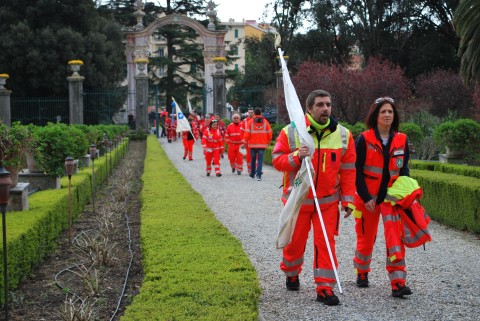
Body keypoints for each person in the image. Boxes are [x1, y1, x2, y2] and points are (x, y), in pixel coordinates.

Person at [272, 90, 356, 306]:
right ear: (308, 109)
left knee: (325, 244)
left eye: (328, 104)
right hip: (299, 200)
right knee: (294, 243)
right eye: (320, 105)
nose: (325, 108)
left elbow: (348, 170)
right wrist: (295, 156)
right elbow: (277, 161)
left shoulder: (344, 135)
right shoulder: (291, 132)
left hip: (327, 202)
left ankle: (324, 287)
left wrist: (347, 199)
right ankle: (291, 272)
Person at [346, 96, 412, 298]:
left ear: (395, 116)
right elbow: (355, 170)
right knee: (366, 239)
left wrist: (407, 195)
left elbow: (404, 169)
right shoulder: (364, 139)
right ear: (375, 115)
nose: (387, 115)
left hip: (392, 199)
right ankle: (362, 272)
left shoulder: (402, 139)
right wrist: (366, 198)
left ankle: (398, 282)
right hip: (368, 200)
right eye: (383, 111)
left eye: (390, 111)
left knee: (395, 240)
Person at [243, 108, 272, 181]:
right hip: (262, 145)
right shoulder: (265, 122)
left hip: (252, 144)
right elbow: (269, 133)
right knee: (260, 160)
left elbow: (247, 133)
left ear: (254, 113)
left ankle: (252, 173)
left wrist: (245, 142)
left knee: (252, 159)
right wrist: (269, 141)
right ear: (261, 113)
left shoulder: (250, 122)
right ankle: (259, 174)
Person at [241, 108, 254, 174]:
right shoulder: (245, 121)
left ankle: (255, 169)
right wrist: (243, 141)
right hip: (248, 142)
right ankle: (249, 170)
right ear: (248, 113)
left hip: (255, 142)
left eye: (252, 112)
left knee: (256, 157)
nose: (251, 114)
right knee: (248, 157)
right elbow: (242, 132)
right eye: (249, 113)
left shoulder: (257, 120)